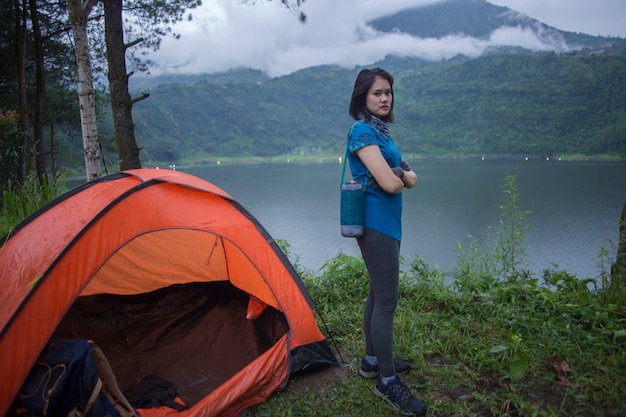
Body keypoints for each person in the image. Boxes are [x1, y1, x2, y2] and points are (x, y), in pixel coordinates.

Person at [345, 67, 427, 417]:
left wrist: (396, 173)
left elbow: (411, 178)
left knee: (377, 294)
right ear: (363, 96)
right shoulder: (362, 132)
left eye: (388, 92)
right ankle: (387, 381)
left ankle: (371, 360)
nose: (384, 98)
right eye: (377, 92)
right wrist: (397, 175)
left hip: (389, 225)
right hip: (376, 225)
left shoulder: (383, 134)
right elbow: (396, 183)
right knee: (387, 302)